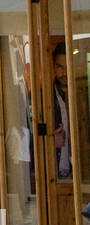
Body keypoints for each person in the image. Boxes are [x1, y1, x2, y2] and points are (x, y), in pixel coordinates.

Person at [52, 42, 71, 179]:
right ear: (53, 67)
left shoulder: (82, 93)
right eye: (59, 67)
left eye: (67, 66)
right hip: (56, 173)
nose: (64, 72)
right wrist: (50, 140)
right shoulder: (44, 96)